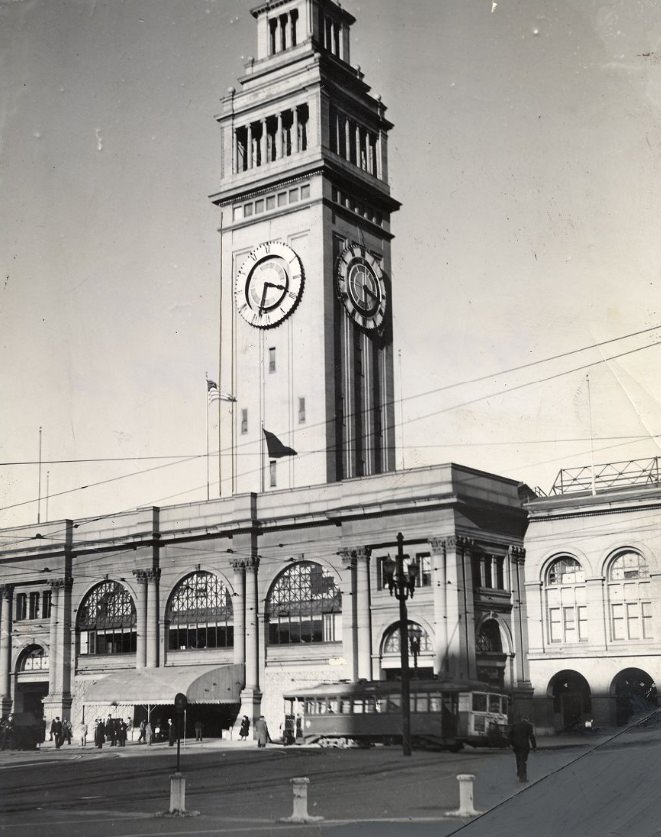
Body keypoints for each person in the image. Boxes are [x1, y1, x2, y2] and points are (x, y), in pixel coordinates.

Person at [508, 714, 536, 782]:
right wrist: (534, 746)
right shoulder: (529, 725)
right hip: (524, 746)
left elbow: (510, 734)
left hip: (516, 746)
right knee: (523, 761)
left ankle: (519, 774)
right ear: (527, 719)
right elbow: (531, 736)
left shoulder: (515, 725)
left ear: (521, 719)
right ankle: (523, 777)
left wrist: (511, 744)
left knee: (518, 760)